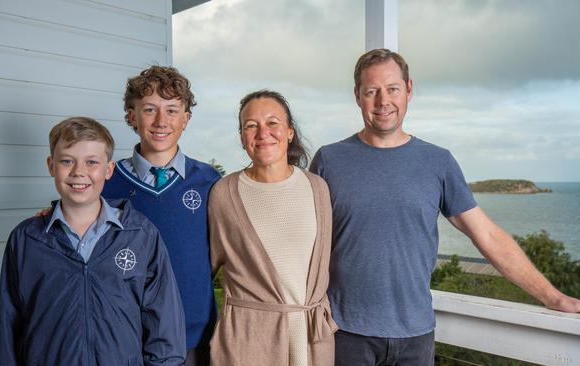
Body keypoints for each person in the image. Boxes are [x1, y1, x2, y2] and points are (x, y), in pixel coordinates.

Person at [309, 48, 580, 366]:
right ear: (357, 96)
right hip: (345, 335)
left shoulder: (438, 162)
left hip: (415, 339)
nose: (383, 101)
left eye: (393, 89)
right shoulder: (329, 161)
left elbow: (488, 236)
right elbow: (303, 243)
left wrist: (552, 296)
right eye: (371, 91)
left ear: (409, 89)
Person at [0, 117, 186, 365]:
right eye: (66, 161)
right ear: (51, 166)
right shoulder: (27, 239)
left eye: (92, 162)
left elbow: (164, 327)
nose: (78, 172)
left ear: (108, 170)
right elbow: (9, 326)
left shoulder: (140, 235)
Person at [208, 90, 338, 366]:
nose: (262, 132)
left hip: (311, 337)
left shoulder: (317, 189)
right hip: (249, 340)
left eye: (272, 123)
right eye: (251, 126)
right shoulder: (223, 194)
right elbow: (204, 269)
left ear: (290, 131)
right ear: (243, 138)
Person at [102, 66, 220, 365]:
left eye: (171, 110)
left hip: (194, 336)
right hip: (126, 334)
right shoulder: (105, 181)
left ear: (186, 119)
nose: (161, 121)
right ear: (131, 115)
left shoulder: (209, 181)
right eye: (149, 109)